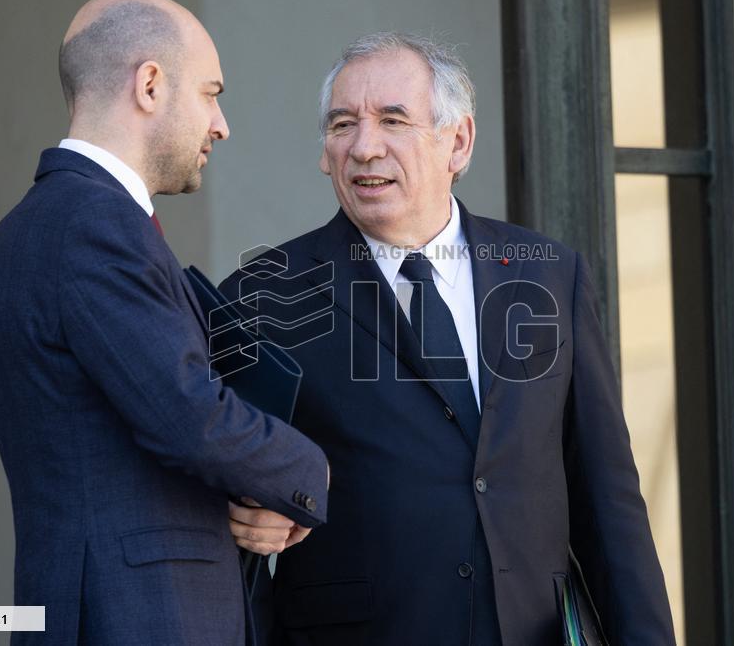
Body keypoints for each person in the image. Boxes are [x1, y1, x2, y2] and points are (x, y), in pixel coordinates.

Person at [221, 33, 676, 645]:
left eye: (392, 120)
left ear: (457, 142)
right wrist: (239, 508)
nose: (364, 147)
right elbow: (207, 474)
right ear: (325, 151)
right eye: (342, 125)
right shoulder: (263, 293)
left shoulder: (548, 273)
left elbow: (607, 494)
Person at [0, 0, 328, 644]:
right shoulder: (95, 226)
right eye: (211, 93)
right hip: (138, 618)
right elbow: (189, 414)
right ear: (151, 85)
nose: (221, 124)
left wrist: (243, 503)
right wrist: (308, 472)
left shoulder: (28, 230)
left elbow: (114, 442)